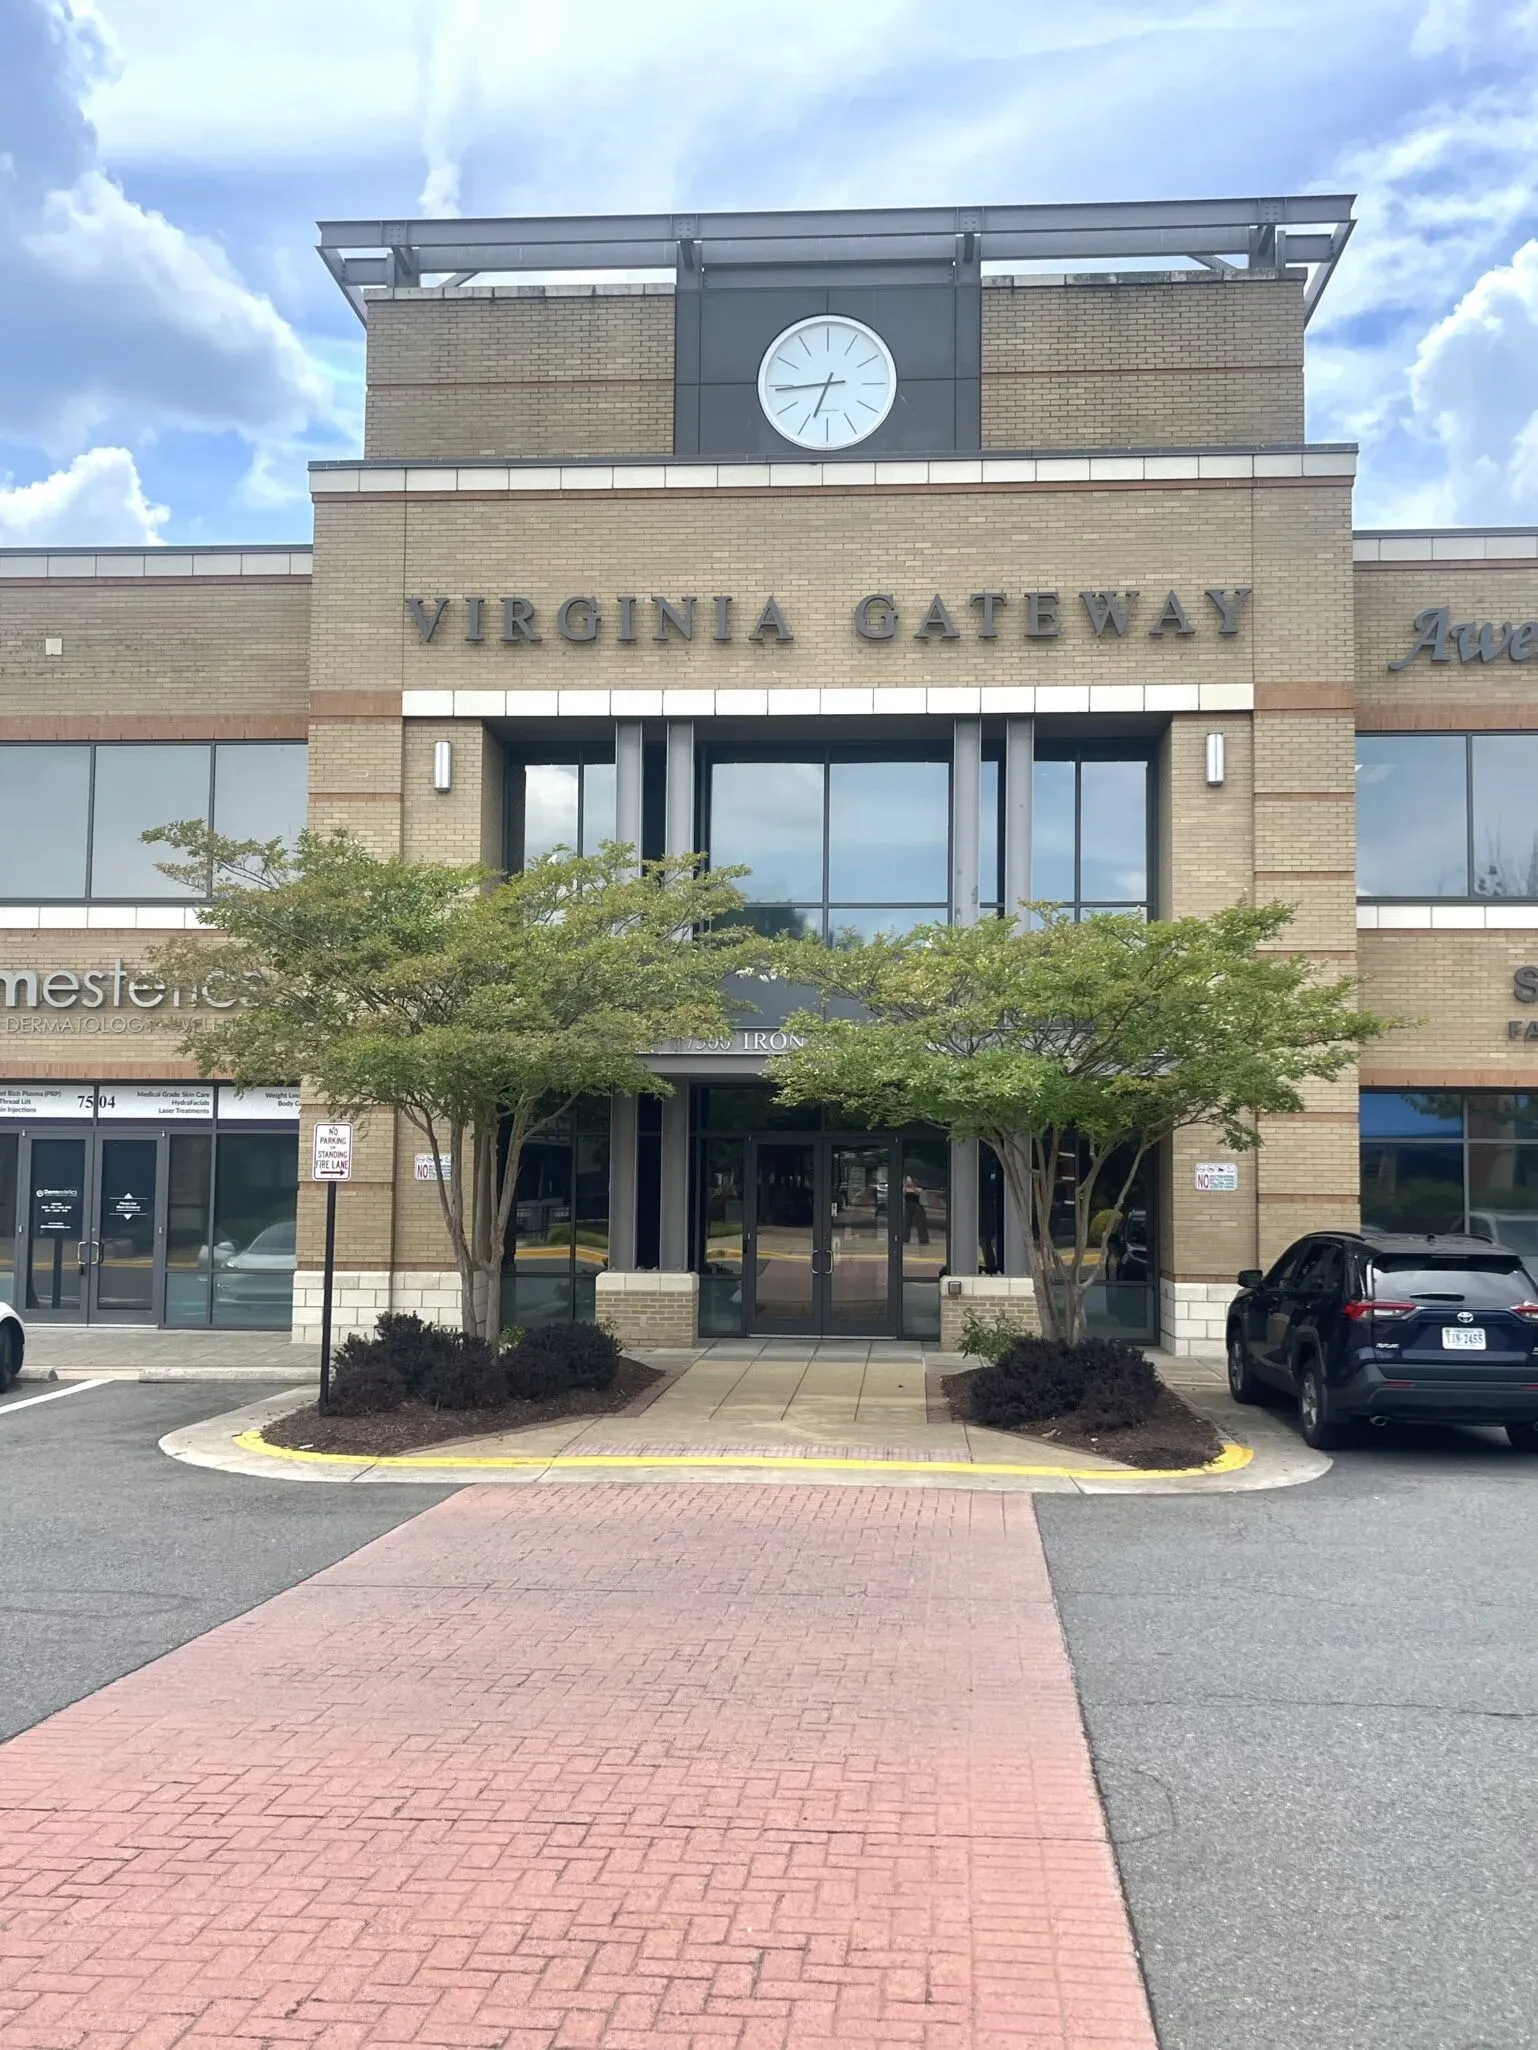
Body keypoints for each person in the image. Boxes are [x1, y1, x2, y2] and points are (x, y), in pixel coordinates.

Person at [903, 1174, 930, 1244]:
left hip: (917, 1205)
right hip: (908, 1205)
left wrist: (913, 1186)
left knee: (920, 1223)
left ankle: (923, 1240)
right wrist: (906, 1186)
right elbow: (904, 1193)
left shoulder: (919, 1187)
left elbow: (917, 1193)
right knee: (906, 1222)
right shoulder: (905, 1188)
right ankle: (905, 1239)